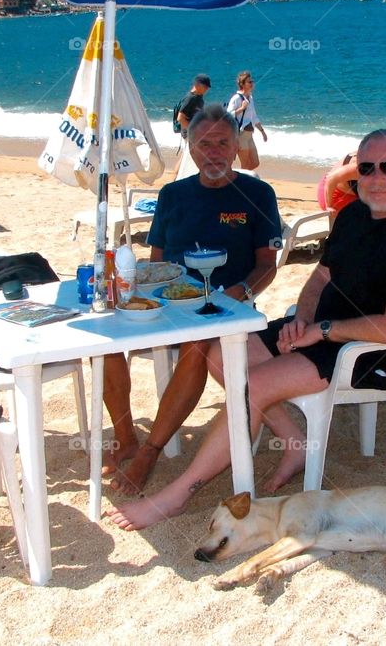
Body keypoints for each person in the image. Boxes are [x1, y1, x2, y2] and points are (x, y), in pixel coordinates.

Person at [107, 129, 386, 530]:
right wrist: (303, 319)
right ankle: (295, 443)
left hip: (374, 351)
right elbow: (321, 278)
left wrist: (320, 330)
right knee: (220, 351)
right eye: (366, 168)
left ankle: (180, 492)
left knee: (250, 388)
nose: (377, 178)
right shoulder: (356, 213)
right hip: (320, 329)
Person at [101, 104, 282, 494]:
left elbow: (268, 264)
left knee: (197, 342)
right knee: (105, 338)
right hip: (169, 303)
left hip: (227, 306)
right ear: (190, 149)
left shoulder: (257, 193)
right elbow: (157, 263)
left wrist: (239, 293)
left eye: (221, 143)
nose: (213, 152)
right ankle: (125, 435)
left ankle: (150, 451)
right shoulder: (172, 194)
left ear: (235, 146)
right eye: (204, 144)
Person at [226, 71, 268, 171]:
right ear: (242, 84)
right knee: (245, 165)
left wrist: (262, 132)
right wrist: (241, 108)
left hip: (250, 135)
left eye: (252, 81)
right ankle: (242, 183)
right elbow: (227, 115)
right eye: (249, 82)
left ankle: (239, 177)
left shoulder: (250, 98)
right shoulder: (236, 98)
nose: (252, 83)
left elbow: (254, 117)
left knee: (255, 162)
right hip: (241, 135)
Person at [316, 151, 360, 220]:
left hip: (352, 193)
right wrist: (329, 206)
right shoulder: (361, 167)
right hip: (334, 193)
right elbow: (331, 178)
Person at [176, 74, 211, 139]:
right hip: (189, 135)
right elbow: (180, 118)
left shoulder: (199, 98)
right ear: (197, 84)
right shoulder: (190, 98)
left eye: (208, 87)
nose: (207, 89)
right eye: (205, 86)